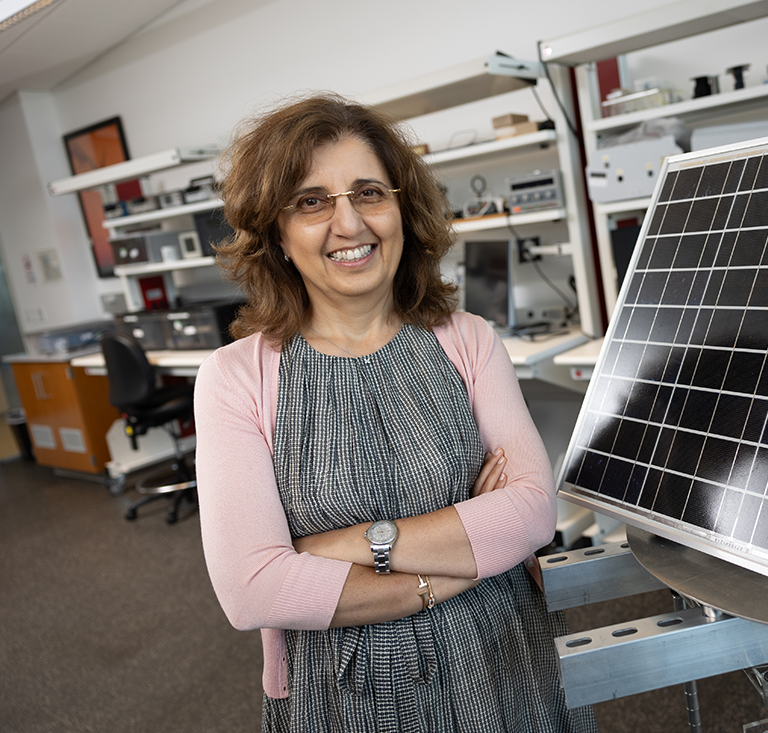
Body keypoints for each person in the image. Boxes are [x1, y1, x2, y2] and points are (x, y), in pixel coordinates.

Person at [194, 93, 599, 733]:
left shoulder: (467, 339)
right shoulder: (234, 378)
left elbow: (530, 511)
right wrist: (454, 561)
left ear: (401, 210)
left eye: (369, 193)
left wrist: (330, 550)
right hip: (339, 693)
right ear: (275, 230)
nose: (349, 224)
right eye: (311, 201)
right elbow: (254, 590)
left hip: (499, 670)